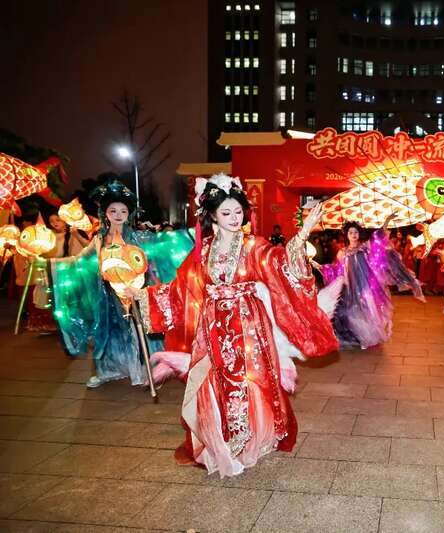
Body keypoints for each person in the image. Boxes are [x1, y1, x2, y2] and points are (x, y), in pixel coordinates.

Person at [132, 174, 338, 477]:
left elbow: (281, 263)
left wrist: (303, 232)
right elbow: (181, 289)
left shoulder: (253, 245)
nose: (233, 217)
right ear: (213, 215)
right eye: (226, 212)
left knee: (249, 377)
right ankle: (221, 436)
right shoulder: (203, 250)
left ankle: (250, 436)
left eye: (238, 211)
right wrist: (142, 297)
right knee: (213, 377)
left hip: (248, 322)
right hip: (213, 324)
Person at [49, 181, 192, 388]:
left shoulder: (140, 237)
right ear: (105, 213)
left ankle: (148, 371)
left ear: (129, 213)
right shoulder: (99, 240)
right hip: (109, 295)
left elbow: (160, 250)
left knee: (141, 330)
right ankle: (109, 370)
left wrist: (187, 237)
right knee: (111, 333)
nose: (118, 215)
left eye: (123, 211)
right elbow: (81, 261)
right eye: (113, 210)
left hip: (136, 290)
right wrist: (54, 265)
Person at [316, 214, 424, 349]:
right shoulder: (342, 252)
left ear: (359, 234)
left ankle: (367, 338)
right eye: (351, 232)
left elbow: (378, 237)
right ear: (347, 235)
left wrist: (386, 221)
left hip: (366, 284)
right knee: (351, 311)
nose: (353, 235)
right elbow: (337, 269)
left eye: (356, 232)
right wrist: (321, 267)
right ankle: (358, 337)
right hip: (350, 286)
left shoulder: (365, 247)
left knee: (367, 309)